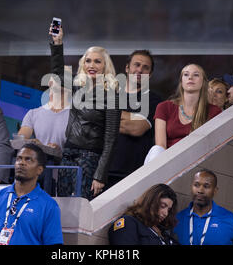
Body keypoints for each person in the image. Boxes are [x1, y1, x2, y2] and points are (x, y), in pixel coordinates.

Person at [49, 23, 121, 200]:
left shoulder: (111, 96)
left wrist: (100, 175)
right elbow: (58, 75)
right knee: (64, 205)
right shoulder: (77, 86)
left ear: (105, 66)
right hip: (68, 155)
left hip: (90, 158)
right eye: (88, 61)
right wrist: (57, 43)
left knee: (82, 205)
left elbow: (111, 138)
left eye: (97, 61)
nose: (92, 65)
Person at [0, 143, 63, 245]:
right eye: (19, 159)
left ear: (39, 169)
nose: (21, 163)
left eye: (28, 159)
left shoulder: (49, 206)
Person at [107, 50, 162, 188]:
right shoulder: (110, 95)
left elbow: (137, 129)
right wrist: (132, 117)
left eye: (145, 67)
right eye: (136, 65)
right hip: (104, 171)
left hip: (134, 173)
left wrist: (107, 118)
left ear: (150, 74)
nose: (140, 70)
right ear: (127, 68)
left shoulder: (155, 100)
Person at [174, 169, 233, 245]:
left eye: (206, 186)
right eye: (196, 185)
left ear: (215, 191)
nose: (200, 190)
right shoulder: (176, 219)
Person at [18, 76, 71, 194]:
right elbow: (21, 139)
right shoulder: (33, 114)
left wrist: (59, 150)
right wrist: (35, 144)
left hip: (63, 174)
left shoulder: (74, 116)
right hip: (38, 174)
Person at [154, 64, 222, 150]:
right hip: (167, 158)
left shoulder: (214, 111)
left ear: (203, 82)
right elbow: (160, 146)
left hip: (198, 159)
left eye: (196, 75)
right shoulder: (164, 107)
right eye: (186, 74)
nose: (190, 77)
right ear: (181, 81)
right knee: (156, 150)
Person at [109, 183, 179, 245]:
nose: (165, 213)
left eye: (169, 210)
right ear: (151, 202)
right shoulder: (129, 223)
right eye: (163, 206)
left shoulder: (165, 231)